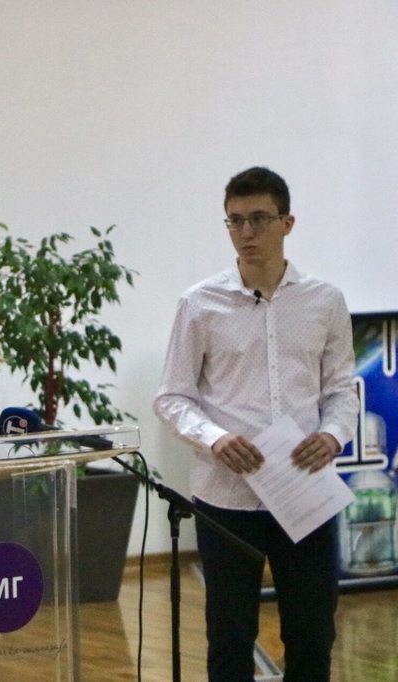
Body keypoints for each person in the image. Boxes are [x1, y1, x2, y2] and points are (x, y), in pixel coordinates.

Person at [153, 166, 358, 681]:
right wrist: (215, 438)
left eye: (259, 219)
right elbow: (172, 397)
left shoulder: (325, 301)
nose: (246, 232)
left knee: (312, 634)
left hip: (304, 490)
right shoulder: (199, 303)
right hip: (227, 496)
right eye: (235, 221)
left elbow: (341, 390)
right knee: (229, 637)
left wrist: (332, 435)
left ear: (287, 223)